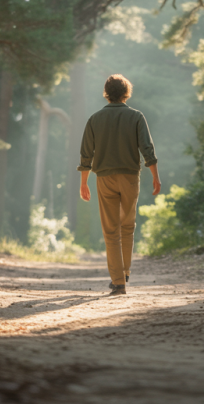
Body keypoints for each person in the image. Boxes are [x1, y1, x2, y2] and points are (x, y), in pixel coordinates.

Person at [78, 74, 160, 296]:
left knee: (111, 231)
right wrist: (155, 176)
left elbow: (86, 154)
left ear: (106, 93)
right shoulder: (136, 116)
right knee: (127, 227)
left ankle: (118, 282)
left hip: (104, 178)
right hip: (130, 177)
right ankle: (125, 273)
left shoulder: (94, 119)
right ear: (126, 92)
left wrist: (84, 183)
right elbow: (147, 149)